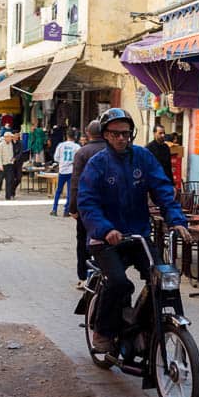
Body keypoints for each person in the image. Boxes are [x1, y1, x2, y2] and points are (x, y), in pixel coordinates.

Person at [78, 108, 191, 352]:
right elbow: (87, 202)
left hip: (138, 235)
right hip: (105, 240)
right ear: (106, 135)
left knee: (162, 281)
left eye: (126, 134)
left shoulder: (143, 157)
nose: (121, 138)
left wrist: (177, 220)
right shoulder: (97, 164)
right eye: (116, 134)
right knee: (119, 283)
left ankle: (141, 327)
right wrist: (105, 229)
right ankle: (103, 330)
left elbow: (162, 189)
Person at [69, 121, 108, 289]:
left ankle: (84, 276)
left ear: (88, 133)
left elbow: (76, 181)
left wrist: (73, 207)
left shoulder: (82, 152)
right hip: (108, 205)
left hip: (87, 205)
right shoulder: (112, 151)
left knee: (83, 239)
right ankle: (106, 272)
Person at [51, 129, 80, 216]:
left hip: (62, 170)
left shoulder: (61, 145)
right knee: (70, 191)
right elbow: (79, 159)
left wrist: (62, 162)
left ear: (66, 136)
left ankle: (54, 209)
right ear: (74, 137)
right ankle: (66, 211)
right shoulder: (77, 147)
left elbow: (56, 158)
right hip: (71, 171)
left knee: (58, 191)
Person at [0, 131, 17, 200]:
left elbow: (13, 153)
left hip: (9, 165)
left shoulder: (11, 144)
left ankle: (8, 196)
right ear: (6, 137)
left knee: (9, 180)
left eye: (11, 137)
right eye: (10, 137)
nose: (11, 138)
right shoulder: (1, 145)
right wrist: (0, 165)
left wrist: (13, 160)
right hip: (2, 165)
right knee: (0, 180)